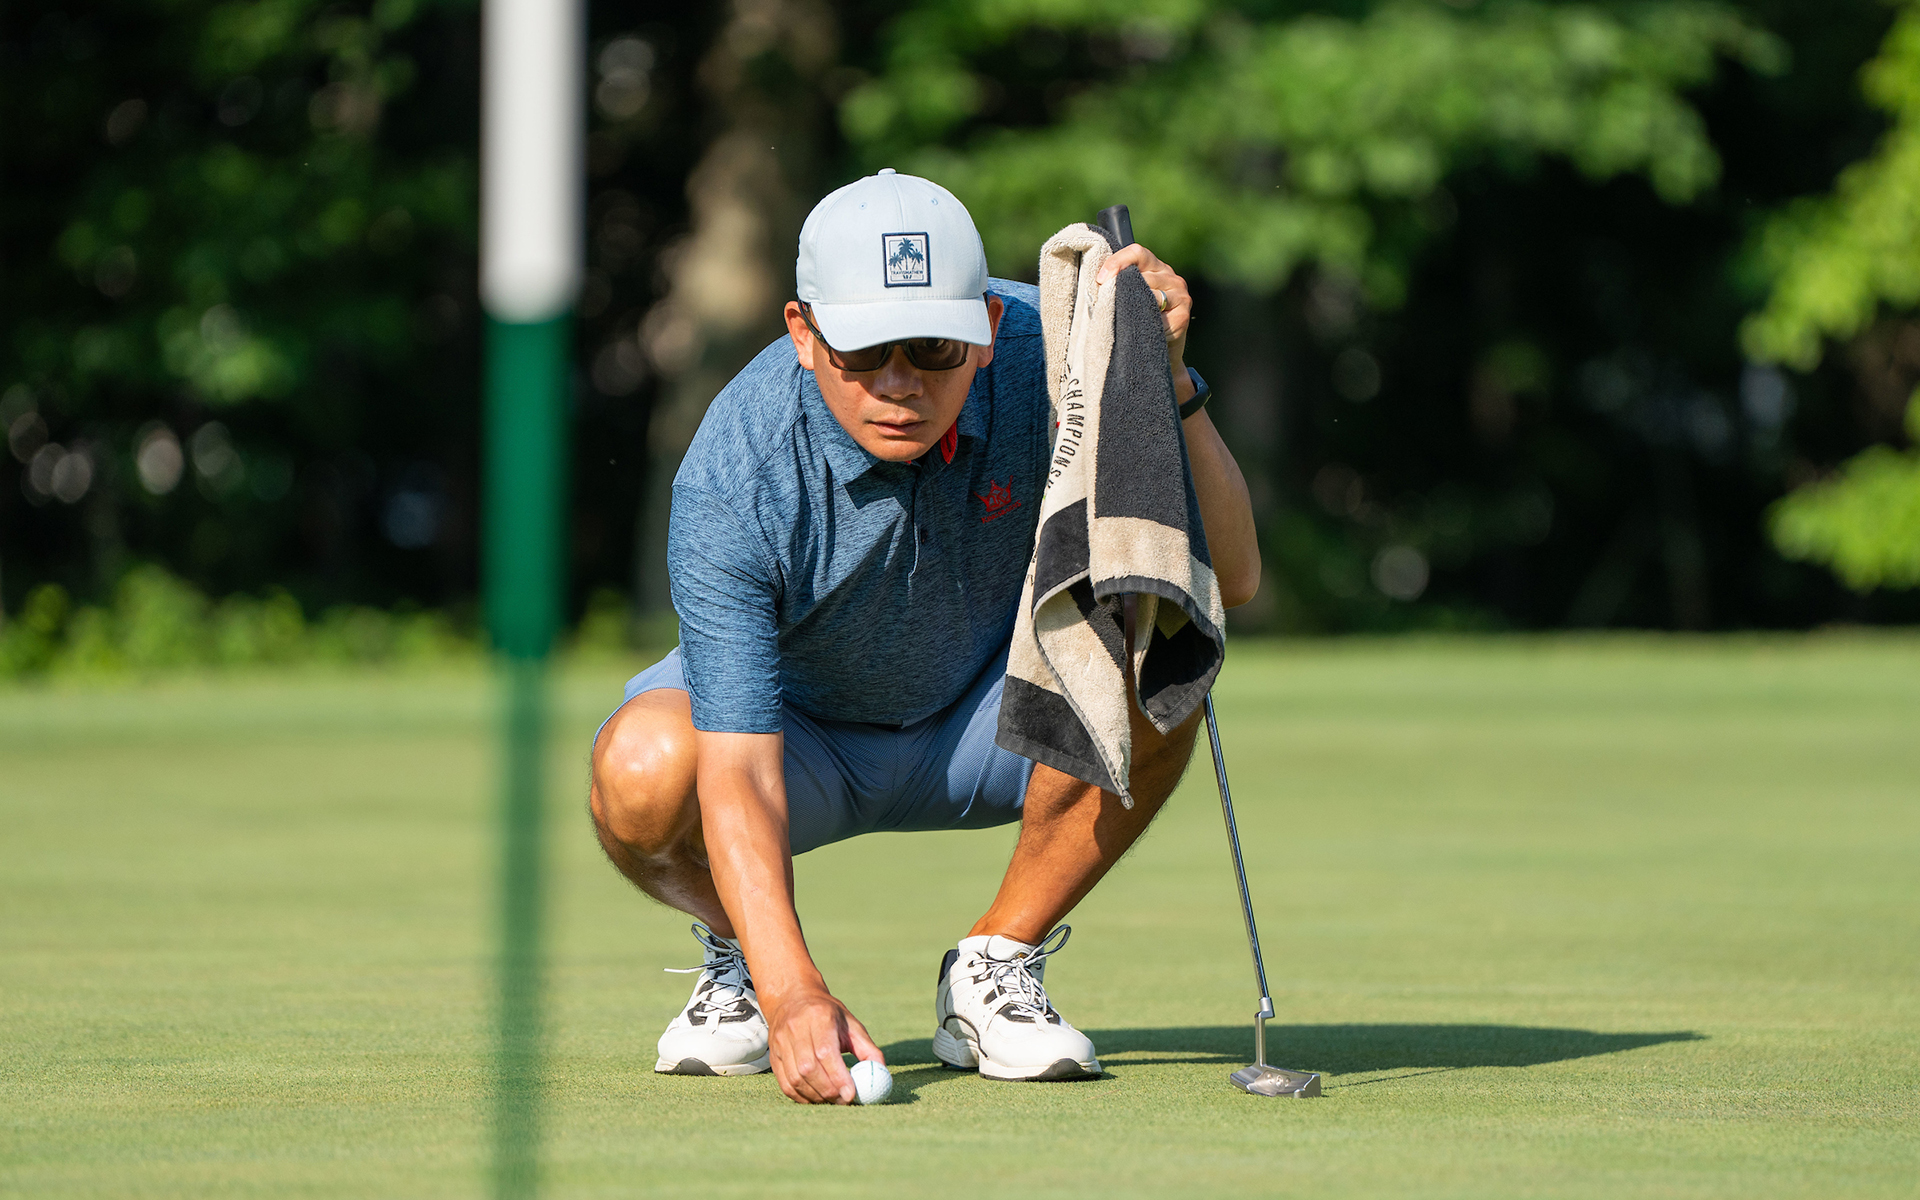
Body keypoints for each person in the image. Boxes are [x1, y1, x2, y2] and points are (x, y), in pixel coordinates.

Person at [588, 169, 1259, 1105]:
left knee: (1158, 656)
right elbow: (737, 769)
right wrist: (792, 991)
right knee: (641, 771)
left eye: (934, 347)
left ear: (985, 326)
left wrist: (1168, 378)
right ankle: (745, 959)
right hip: (797, 736)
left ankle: (993, 965)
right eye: (864, 351)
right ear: (803, 333)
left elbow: (1234, 577)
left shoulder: (1065, 349)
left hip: (992, 718)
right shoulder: (736, 464)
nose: (899, 384)